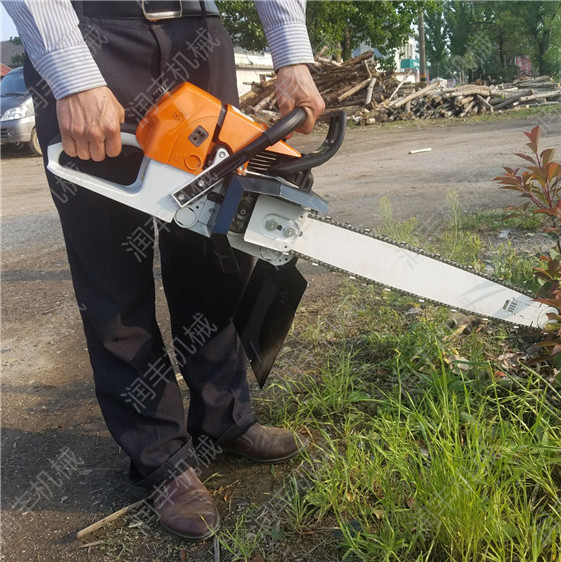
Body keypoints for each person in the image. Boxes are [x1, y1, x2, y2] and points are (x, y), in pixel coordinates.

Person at [2, 0, 325, 540]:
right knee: (112, 275)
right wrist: (71, 71)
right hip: (90, 36)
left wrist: (291, 52)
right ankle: (161, 458)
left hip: (200, 34)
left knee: (215, 258)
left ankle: (225, 415)